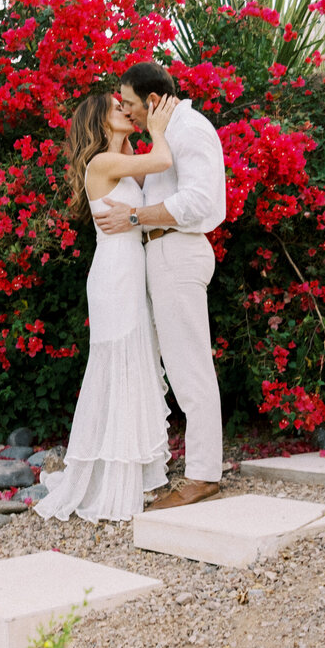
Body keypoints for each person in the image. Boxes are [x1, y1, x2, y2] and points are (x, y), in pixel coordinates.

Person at [36, 91, 177, 523]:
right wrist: (157, 131)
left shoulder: (122, 159)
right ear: (101, 122)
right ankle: (111, 482)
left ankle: (129, 472)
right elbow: (164, 162)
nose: (127, 110)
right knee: (119, 365)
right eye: (119, 108)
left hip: (131, 269)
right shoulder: (101, 164)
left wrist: (142, 138)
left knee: (134, 362)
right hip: (115, 273)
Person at [94, 62, 226, 509]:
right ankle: (195, 471)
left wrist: (134, 217)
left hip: (177, 250)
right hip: (161, 252)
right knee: (178, 362)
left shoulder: (189, 129)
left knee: (190, 366)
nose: (125, 112)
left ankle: (204, 476)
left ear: (150, 101)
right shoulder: (165, 132)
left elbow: (199, 202)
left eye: (129, 103)